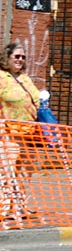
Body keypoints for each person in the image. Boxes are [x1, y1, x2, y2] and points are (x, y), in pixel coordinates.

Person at [0, 41, 40, 220]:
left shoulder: (25, 78)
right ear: (6, 58)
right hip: (9, 132)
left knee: (25, 172)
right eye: (16, 56)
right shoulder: (1, 78)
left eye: (23, 57)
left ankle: (21, 206)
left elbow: (36, 97)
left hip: (29, 132)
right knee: (7, 172)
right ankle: (5, 207)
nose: (20, 60)